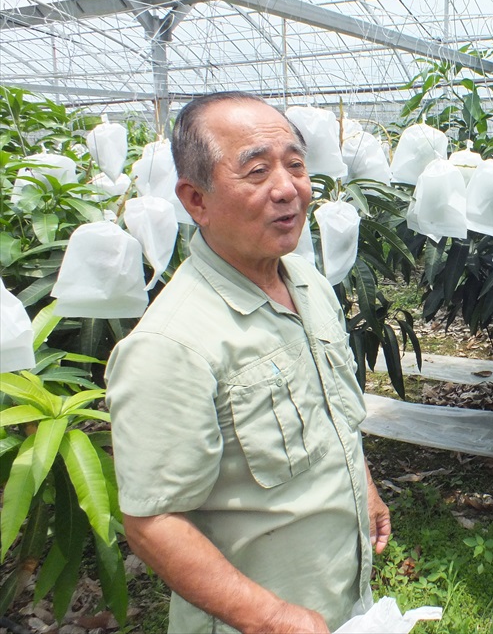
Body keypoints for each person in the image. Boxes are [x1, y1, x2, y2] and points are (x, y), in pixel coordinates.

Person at [106, 92, 390, 633]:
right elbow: (152, 521)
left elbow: (331, 415)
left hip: (339, 594)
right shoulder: (172, 345)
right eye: (257, 171)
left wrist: (365, 488)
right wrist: (270, 618)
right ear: (196, 200)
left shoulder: (307, 282)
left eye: (296, 165)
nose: (288, 189)